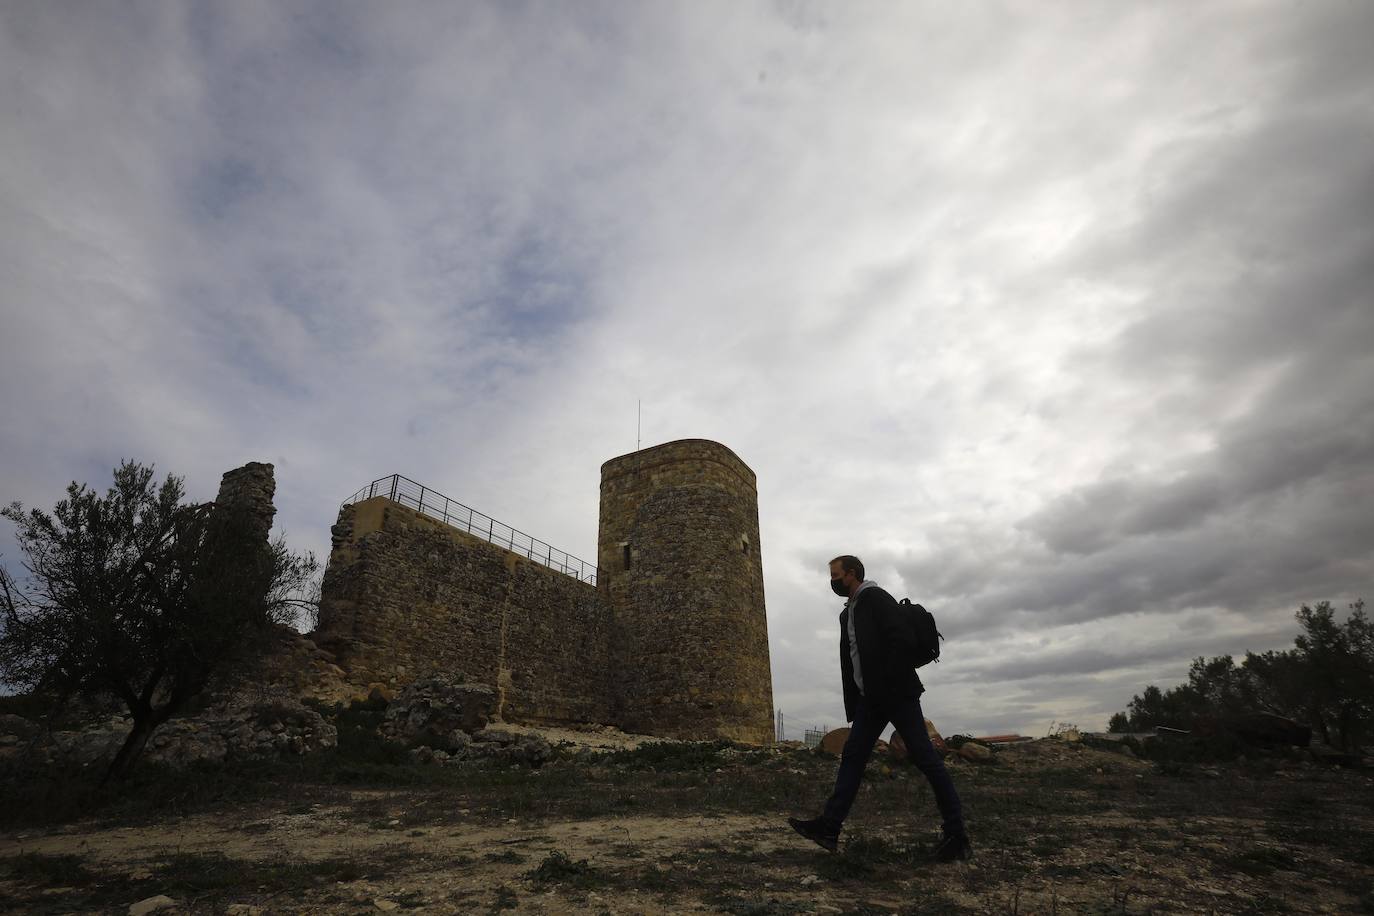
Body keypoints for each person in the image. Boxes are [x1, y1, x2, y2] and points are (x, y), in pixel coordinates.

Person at [788, 555, 971, 862]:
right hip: (871, 700)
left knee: (927, 759)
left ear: (852, 574)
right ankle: (828, 829)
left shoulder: (875, 597)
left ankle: (957, 836)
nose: (832, 582)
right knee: (853, 757)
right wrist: (863, 696)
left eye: (836, 575)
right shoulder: (848, 614)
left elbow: (902, 638)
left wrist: (886, 681)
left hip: (896, 693)